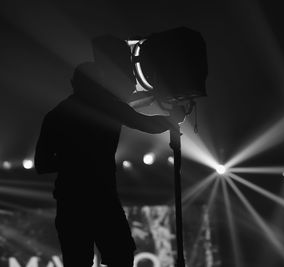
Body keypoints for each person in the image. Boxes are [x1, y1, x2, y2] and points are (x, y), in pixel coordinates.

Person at [34, 37, 185, 267]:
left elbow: (41, 164)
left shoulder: (57, 115)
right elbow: (144, 123)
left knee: (78, 261)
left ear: (73, 83)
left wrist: (71, 161)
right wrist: (172, 119)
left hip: (71, 202)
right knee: (121, 256)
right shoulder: (108, 106)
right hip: (102, 198)